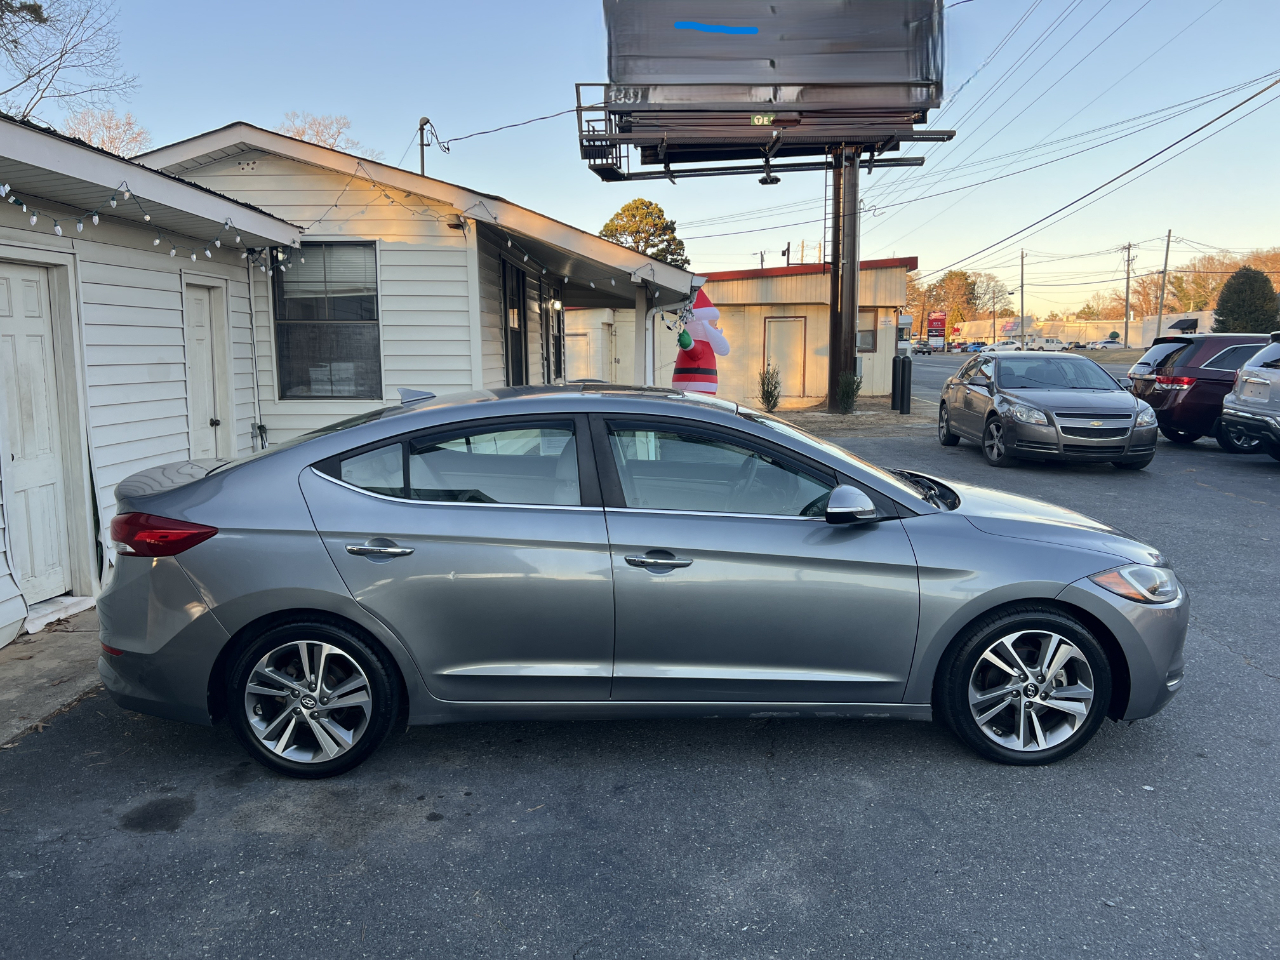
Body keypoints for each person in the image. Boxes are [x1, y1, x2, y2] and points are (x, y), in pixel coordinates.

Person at [671, 288, 730, 395]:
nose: (716, 327)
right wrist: (689, 345)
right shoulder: (701, 344)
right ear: (702, 323)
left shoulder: (707, 344)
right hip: (694, 390)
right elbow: (695, 352)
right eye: (714, 323)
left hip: (701, 391)